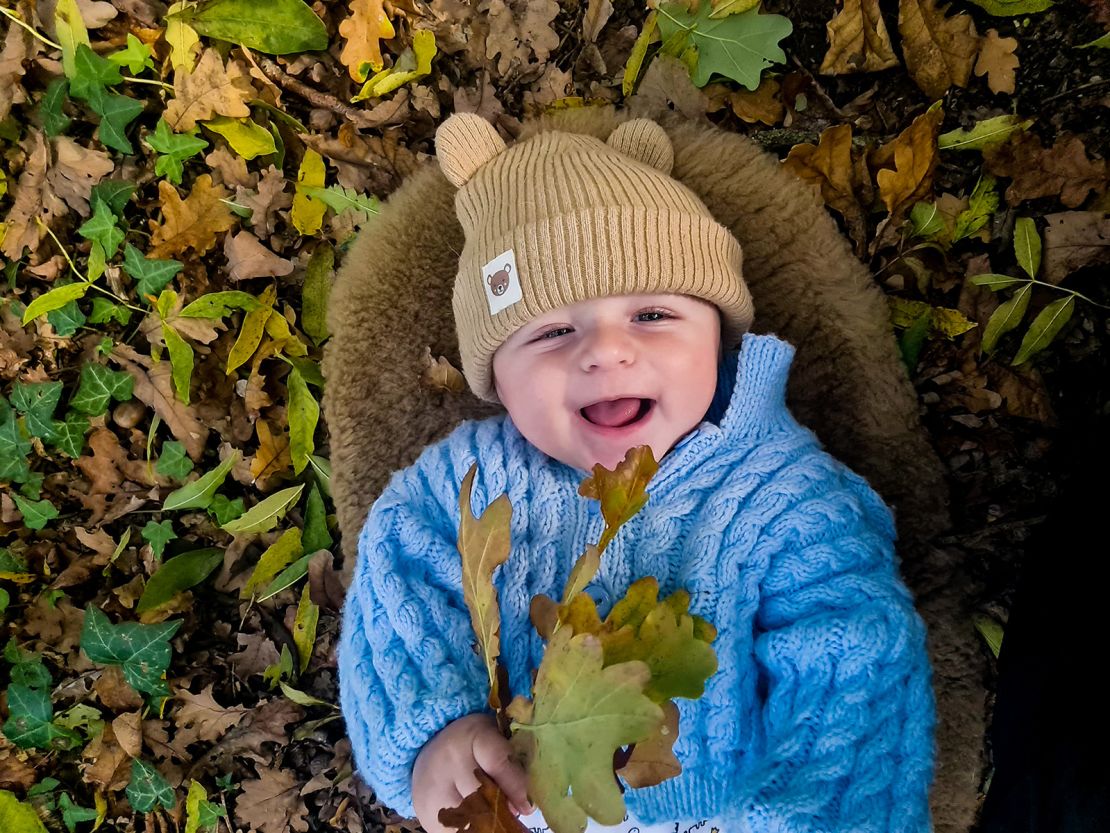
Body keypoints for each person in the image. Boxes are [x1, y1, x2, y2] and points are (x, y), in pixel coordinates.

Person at [336, 112, 936, 833]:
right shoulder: (462, 484)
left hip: (727, 815)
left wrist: (811, 818)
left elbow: (853, 653)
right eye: (554, 331)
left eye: (652, 314)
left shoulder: (778, 490)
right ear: (496, 375)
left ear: (719, 336)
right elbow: (397, 580)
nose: (607, 352)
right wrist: (437, 732)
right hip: (525, 804)